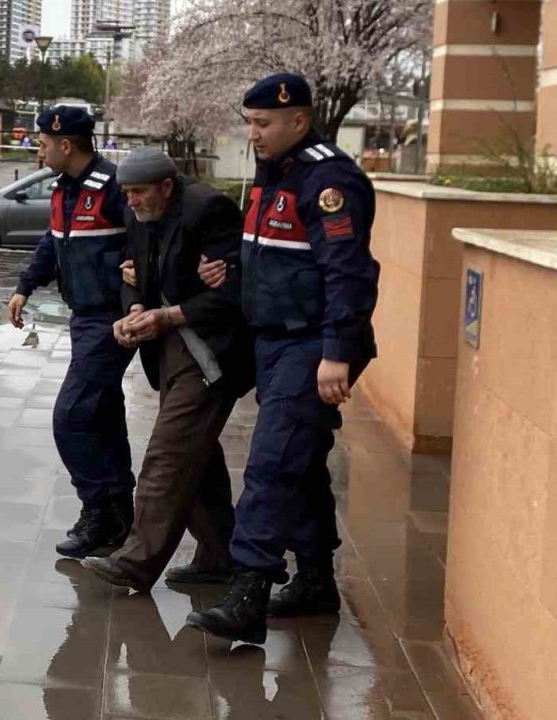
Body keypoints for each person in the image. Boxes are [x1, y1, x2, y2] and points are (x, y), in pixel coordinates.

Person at [184, 73, 381, 644]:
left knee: (272, 461)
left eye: (263, 123)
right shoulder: (275, 178)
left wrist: (337, 352)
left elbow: (348, 273)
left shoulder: (327, 180)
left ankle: (250, 590)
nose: (253, 134)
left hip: (312, 343)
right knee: (300, 460)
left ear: (299, 120)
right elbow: (281, 261)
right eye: (248, 122)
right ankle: (316, 579)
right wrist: (230, 273)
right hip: (274, 342)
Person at [78, 147, 252, 592]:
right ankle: (219, 555)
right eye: (127, 193)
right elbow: (133, 275)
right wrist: (134, 309)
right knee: (197, 454)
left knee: (167, 455)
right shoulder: (139, 213)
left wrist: (166, 316)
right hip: (169, 351)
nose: (130, 202)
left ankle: (136, 562)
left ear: (167, 188)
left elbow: (234, 292)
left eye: (138, 193)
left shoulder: (209, 210)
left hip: (212, 352)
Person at [7, 106, 136, 560]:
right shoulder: (64, 189)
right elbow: (52, 242)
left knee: (71, 415)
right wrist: (25, 285)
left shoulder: (113, 187)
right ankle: (121, 515)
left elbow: (146, 241)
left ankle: (98, 511)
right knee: (100, 413)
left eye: (42, 143)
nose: (38, 150)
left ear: (66, 144)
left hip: (111, 320)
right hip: (83, 317)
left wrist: (135, 293)